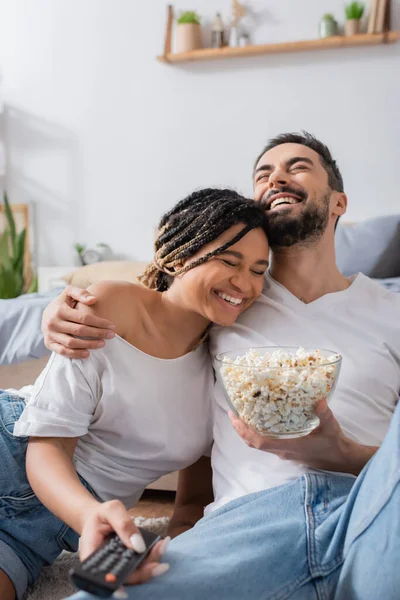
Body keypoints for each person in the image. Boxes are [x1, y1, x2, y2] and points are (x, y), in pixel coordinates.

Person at [49, 132, 400, 600]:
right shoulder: (225, 302)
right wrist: (59, 308)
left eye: (297, 167)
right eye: (262, 173)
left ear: (338, 202)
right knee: (107, 595)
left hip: (370, 508)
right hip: (252, 525)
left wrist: (345, 455)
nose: (276, 177)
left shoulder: (390, 311)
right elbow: (152, 302)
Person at [0, 188, 271, 600]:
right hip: (15, 454)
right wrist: (91, 515)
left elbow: (192, 503)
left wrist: (177, 563)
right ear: (179, 255)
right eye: (229, 260)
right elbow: (47, 446)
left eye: (258, 270)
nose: (245, 283)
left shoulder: (227, 366)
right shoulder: (114, 305)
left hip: (48, 528)